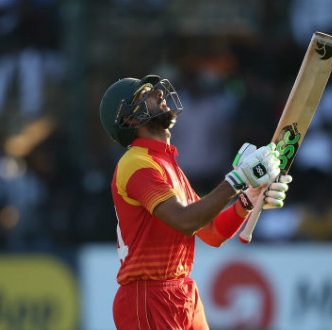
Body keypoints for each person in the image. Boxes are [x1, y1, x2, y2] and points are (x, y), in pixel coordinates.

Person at [99, 74, 293, 330]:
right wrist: (239, 179)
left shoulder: (167, 164)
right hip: (148, 296)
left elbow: (211, 232)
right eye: (144, 95)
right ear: (129, 119)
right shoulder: (136, 163)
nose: (159, 94)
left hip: (181, 292)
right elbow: (185, 220)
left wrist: (247, 200)